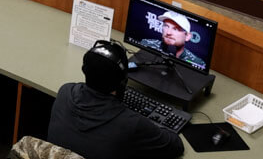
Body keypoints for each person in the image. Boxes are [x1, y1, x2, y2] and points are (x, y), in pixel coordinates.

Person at [48, 40, 184, 159]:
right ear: (122, 82)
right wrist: (156, 123)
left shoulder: (65, 92)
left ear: (84, 70)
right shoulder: (131, 123)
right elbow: (176, 146)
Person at [138, 11, 206, 69]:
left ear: (187, 36)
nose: (168, 32)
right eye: (166, 26)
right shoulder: (146, 44)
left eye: (175, 29)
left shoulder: (197, 63)